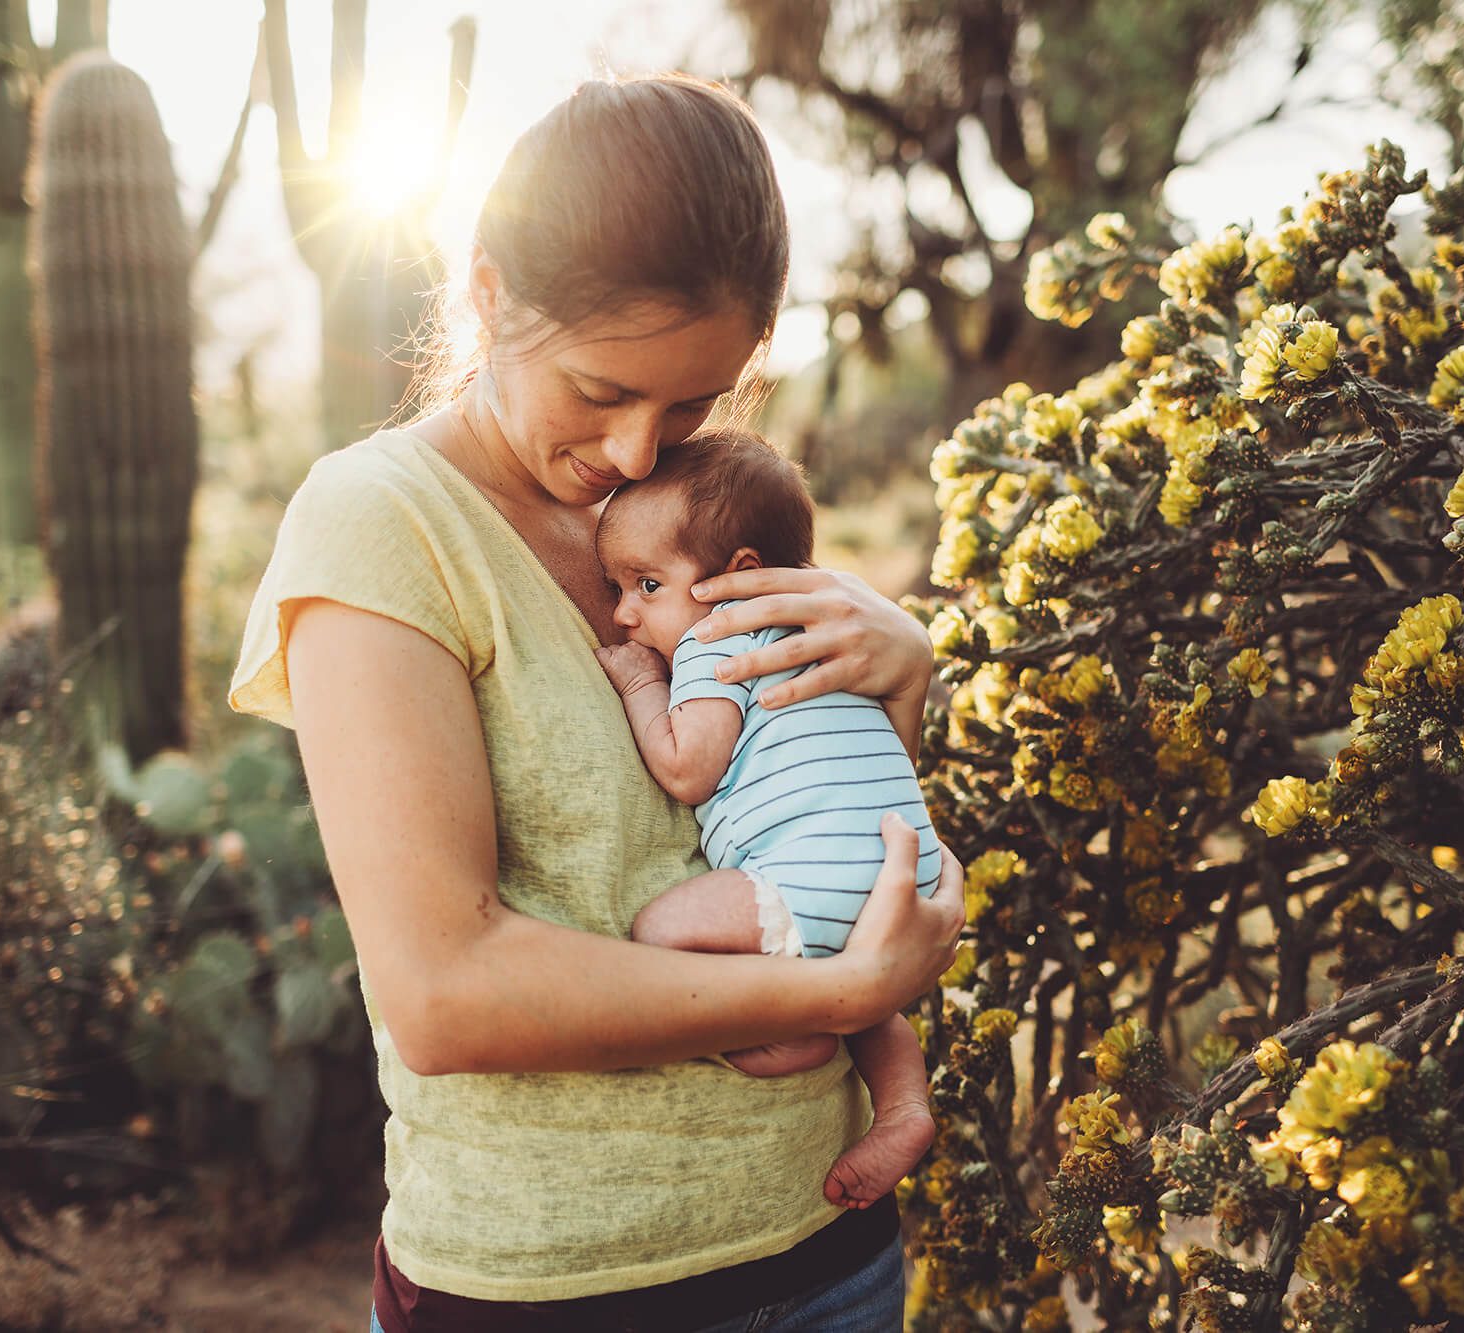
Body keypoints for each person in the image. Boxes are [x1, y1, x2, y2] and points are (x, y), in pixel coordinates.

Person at [229, 73, 963, 1332]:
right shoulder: (382, 524)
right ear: (487, 291)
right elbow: (444, 993)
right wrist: (834, 998)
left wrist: (901, 670)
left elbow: (801, 823)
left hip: (830, 1254)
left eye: (691, 399)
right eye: (599, 390)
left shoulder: (705, 508)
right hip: (553, 1288)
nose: (637, 452)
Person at [591, 430, 940, 1214]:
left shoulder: (720, 638)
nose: (623, 613)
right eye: (616, 587)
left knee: (659, 931)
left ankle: (791, 1030)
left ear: (737, 575)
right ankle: (904, 1105)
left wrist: (642, 684)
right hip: (899, 872)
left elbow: (688, 766)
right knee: (866, 991)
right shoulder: (825, 630)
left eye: (647, 584)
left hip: (810, 874)